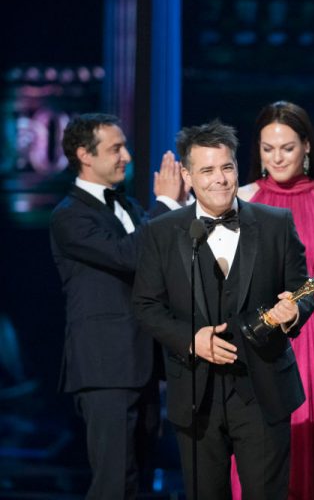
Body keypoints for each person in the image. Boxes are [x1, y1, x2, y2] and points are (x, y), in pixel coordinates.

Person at [132, 120, 314, 500]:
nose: (220, 179)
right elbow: (146, 306)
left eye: (227, 167)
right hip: (195, 395)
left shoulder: (276, 224)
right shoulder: (161, 232)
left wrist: (294, 310)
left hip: (264, 390)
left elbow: (303, 290)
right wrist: (191, 339)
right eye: (207, 170)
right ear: (187, 176)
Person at [50, 113, 187, 499]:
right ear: (84, 155)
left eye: (124, 146)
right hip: (105, 366)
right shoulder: (69, 216)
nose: (126, 156)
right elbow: (127, 255)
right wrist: (165, 203)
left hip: (143, 364)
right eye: (115, 148)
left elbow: (164, 263)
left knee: (138, 481)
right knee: (114, 483)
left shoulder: (130, 208)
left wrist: (185, 206)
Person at [232, 101, 314, 499]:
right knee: (256, 442)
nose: (277, 157)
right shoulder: (241, 200)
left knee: (311, 439)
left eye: (286, 148)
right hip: (258, 335)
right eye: (267, 148)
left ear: (306, 146)